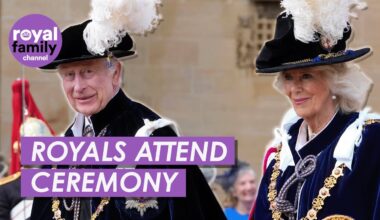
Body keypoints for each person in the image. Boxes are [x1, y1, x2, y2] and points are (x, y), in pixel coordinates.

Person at [30, 17, 226, 220]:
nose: (78, 87)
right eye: (69, 75)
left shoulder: (154, 138)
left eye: (88, 72)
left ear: (115, 73)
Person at [252, 1, 380, 220]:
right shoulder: (279, 160)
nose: (295, 88)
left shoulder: (369, 143)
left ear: (334, 80)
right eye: (288, 78)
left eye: (306, 76)